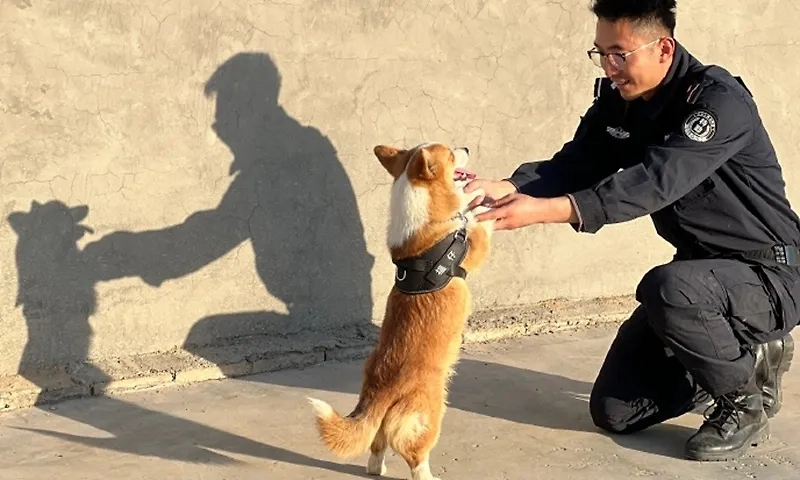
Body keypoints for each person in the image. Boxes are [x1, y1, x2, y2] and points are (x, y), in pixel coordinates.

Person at [466, 0, 798, 462]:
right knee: (615, 412)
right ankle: (734, 360)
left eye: (619, 54)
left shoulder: (716, 103)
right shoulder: (622, 101)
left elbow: (655, 182)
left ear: (663, 48)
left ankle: (744, 402)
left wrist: (547, 211)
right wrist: (508, 187)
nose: (609, 67)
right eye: (600, 53)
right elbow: (579, 162)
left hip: (767, 274)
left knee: (669, 288)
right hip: (701, 278)